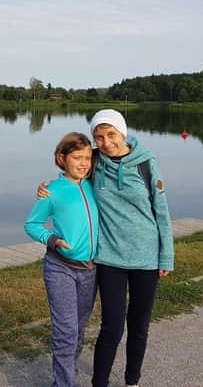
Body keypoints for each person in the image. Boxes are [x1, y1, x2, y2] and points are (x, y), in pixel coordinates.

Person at [39, 109, 174, 387]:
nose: (105, 142)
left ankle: (132, 381)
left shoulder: (145, 163)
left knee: (139, 327)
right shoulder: (96, 162)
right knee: (111, 328)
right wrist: (47, 187)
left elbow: (162, 212)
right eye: (98, 137)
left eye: (110, 134)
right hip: (110, 258)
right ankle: (99, 383)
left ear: (122, 132)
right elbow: (73, 173)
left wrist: (166, 256)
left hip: (146, 259)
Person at [26, 132, 100, 387]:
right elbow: (32, 224)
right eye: (77, 157)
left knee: (78, 331)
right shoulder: (52, 191)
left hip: (91, 271)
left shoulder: (95, 185)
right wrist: (53, 240)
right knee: (66, 331)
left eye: (88, 158)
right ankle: (64, 384)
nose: (83, 163)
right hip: (60, 269)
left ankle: (64, 378)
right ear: (62, 158)